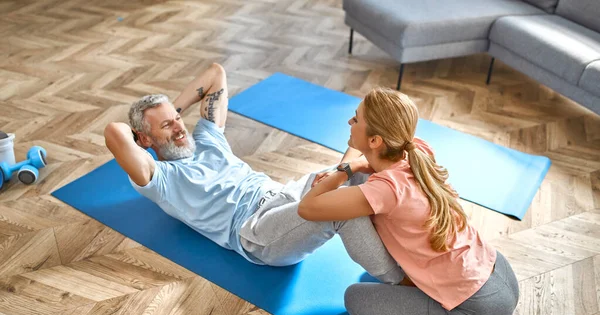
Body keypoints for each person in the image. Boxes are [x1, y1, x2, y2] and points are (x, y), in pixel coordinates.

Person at [103, 63, 403, 284]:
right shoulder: (161, 179)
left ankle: (417, 248)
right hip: (257, 230)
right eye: (167, 126)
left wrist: (170, 114)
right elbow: (114, 132)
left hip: (287, 193)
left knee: (367, 165)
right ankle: (404, 282)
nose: (180, 127)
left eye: (178, 119)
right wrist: (144, 130)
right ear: (144, 139)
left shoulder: (206, 139)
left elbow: (215, 73)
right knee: (340, 207)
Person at [297, 87, 519, 315]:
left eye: (356, 119)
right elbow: (365, 159)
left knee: (355, 301)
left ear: (377, 140)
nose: (349, 122)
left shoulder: (385, 190)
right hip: (501, 277)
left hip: (474, 313)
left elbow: (307, 207)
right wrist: (358, 163)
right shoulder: (417, 149)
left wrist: (350, 168)